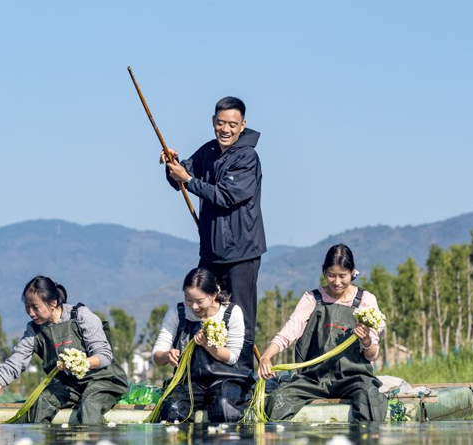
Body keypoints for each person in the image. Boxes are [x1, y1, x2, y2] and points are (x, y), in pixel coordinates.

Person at [161, 96, 265, 368]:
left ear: (243, 125)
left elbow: (226, 196)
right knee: (202, 309)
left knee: (240, 315)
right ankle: (204, 371)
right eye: (221, 123)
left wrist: (188, 179)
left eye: (232, 124)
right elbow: (182, 180)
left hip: (242, 253)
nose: (226, 129)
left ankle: (243, 377)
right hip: (210, 251)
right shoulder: (208, 150)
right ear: (213, 122)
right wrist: (171, 164)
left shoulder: (248, 158)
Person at [0, 276, 129, 425]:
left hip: (104, 380)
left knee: (89, 405)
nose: (30, 312)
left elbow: (104, 356)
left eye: (35, 307)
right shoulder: (33, 331)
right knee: (42, 403)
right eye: (27, 307)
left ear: (53, 303)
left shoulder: (81, 315)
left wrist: (81, 363)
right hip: (70, 386)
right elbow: (11, 367)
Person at [256, 244, 388, 422]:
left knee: (370, 399)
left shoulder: (365, 300)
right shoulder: (312, 299)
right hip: (314, 378)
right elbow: (290, 330)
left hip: (353, 378)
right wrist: (266, 357)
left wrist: (366, 340)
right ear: (324, 271)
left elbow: (372, 354)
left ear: (352, 272)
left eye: (343, 276)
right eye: (331, 275)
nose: (337, 282)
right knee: (278, 399)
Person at [151, 267, 252, 422]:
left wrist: (209, 346)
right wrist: (166, 355)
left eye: (200, 301)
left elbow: (232, 357)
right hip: (188, 382)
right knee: (172, 410)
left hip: (225, 379)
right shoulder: (177, 313)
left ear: (213, 295)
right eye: (189, 300)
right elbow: (157, 356)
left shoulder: (232, 312)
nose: (194, 307)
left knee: (224, 408)